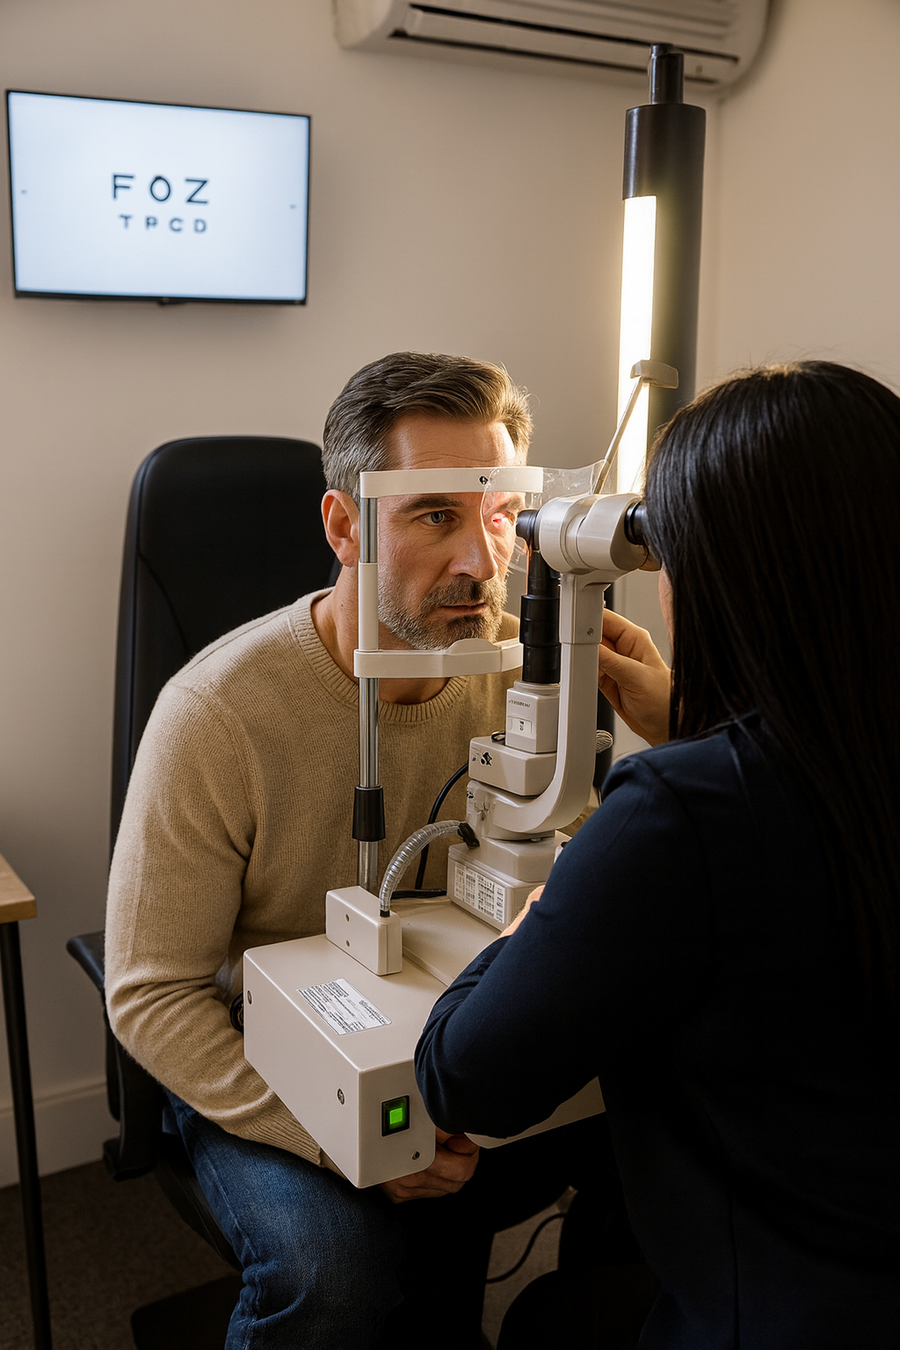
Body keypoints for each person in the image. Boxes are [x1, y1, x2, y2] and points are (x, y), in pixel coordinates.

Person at [105, 351, 602, 1350]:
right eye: (433, 516)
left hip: (453, 1029)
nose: (480, 561)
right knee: (335, 1269)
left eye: (499, 516)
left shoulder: (535, 680)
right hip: (260, 1056)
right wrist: (340, 1138)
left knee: (670, 1138)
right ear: (344, 525)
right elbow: (152, 993)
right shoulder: (218, 712)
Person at [415, 361, 900, 1349]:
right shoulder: (804, 770)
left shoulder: (683, 812)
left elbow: (464, 1077)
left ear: (715, 577)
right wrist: (693, 723)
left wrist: (534, 919)